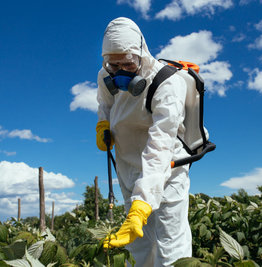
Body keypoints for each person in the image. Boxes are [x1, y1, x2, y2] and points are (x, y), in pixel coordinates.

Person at [96, 17, 192, 267]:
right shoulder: (105, 75)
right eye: (113, 66)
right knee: (136, 247)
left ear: (141, 54)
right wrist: (103, 124)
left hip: (167, 169)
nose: (119, 74)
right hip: (128, 167)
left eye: (127, 65)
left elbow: (161, 145)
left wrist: (143, 203)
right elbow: (104, 104)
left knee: (169, 245)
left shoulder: (167, 82)